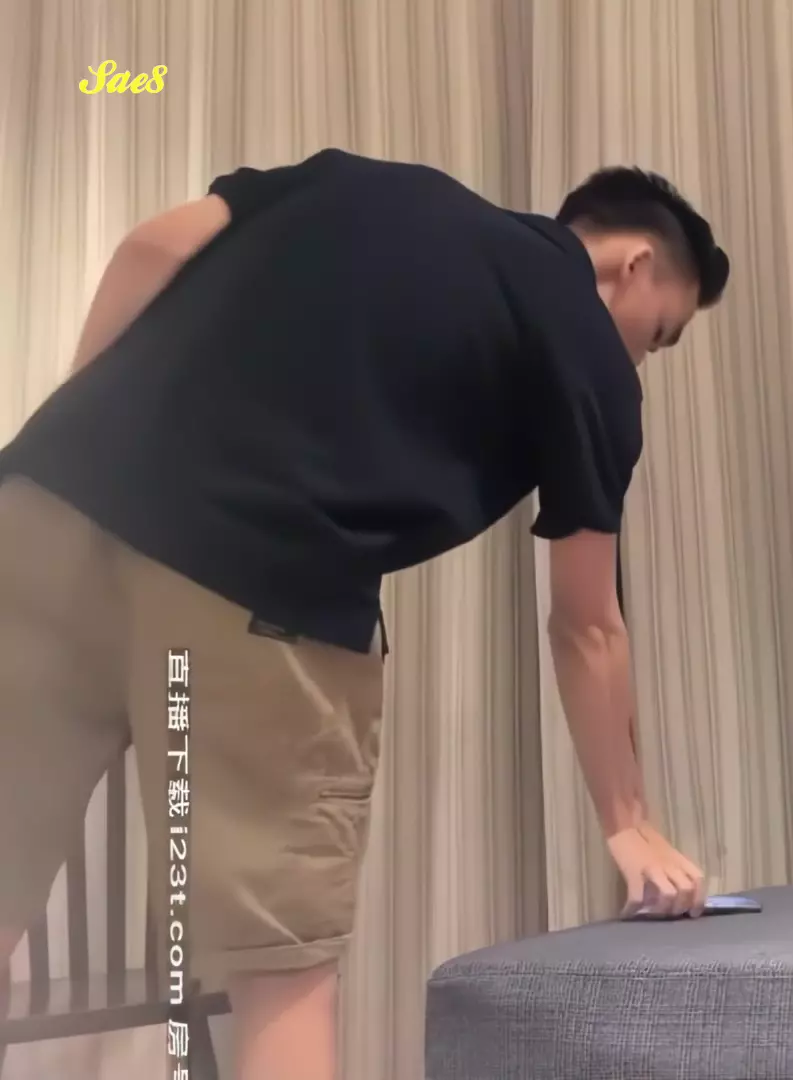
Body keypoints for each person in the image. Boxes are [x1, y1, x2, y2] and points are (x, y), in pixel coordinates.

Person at [0, 149, 725, 1080]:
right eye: (657, 334)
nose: (640, 356)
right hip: (260, 580)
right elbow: (588, 621)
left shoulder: (361, 182)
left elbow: (152, 246)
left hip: (40, 526)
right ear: (635, 264)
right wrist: (629, 825)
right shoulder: (587, 343)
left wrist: (78, 438)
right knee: (281, 974)